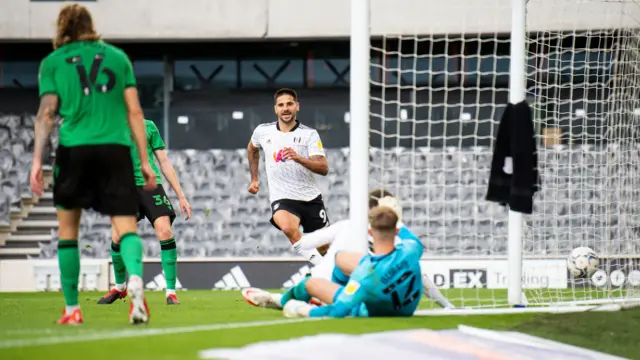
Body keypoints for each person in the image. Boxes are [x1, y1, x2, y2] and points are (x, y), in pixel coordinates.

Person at [30, 4, 154, 325]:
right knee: (126, 226)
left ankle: (72, 309)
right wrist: (144, 160)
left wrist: (36, 161)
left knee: (68, 232)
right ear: (91, 25)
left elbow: (46, 114)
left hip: (74, 149)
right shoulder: (118, 57)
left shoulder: (53, 63)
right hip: (116, 149)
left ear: (60, 27)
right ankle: (136, 282)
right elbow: (135, 112)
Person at [242, 189, 454, 310]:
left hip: (327, 284)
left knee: (314, 281)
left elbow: (302, 243)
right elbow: (420, 275)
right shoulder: (403, 241)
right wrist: (446, 305)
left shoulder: (346, 225)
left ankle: (286, 301)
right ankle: (297, 303)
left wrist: (318, 255)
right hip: (362, 294)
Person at [98, 119, 192, 306]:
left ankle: (171, 292)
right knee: (117, 237)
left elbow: (163, 161)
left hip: (151, 185)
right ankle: (120, 287)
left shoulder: (148, 126)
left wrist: (181, 196)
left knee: (165, 231)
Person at [284, 205, 423, 318]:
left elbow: (336, 312)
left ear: (370, 233)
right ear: (396, 231)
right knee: (341, 257)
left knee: (311, 283)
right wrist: (392, 213)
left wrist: (301, 310)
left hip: (368, 311)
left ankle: (285, 301)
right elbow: (409, 236)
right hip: (406, 308)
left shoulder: (363, 276)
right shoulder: (411, 249)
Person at [247, 88, 330, 265]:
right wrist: (254, 178)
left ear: (297, 106)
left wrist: (299, 158)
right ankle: (323, 267)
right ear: (275, 109)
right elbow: (252, 148)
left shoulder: (309, 134)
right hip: (282, 197)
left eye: (290, 104)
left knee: (325, 248)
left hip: (310, 198)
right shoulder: (263, 131)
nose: (285, 108)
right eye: (281, 105)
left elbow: (323, 168)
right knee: (287, 227)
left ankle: (333, 271)